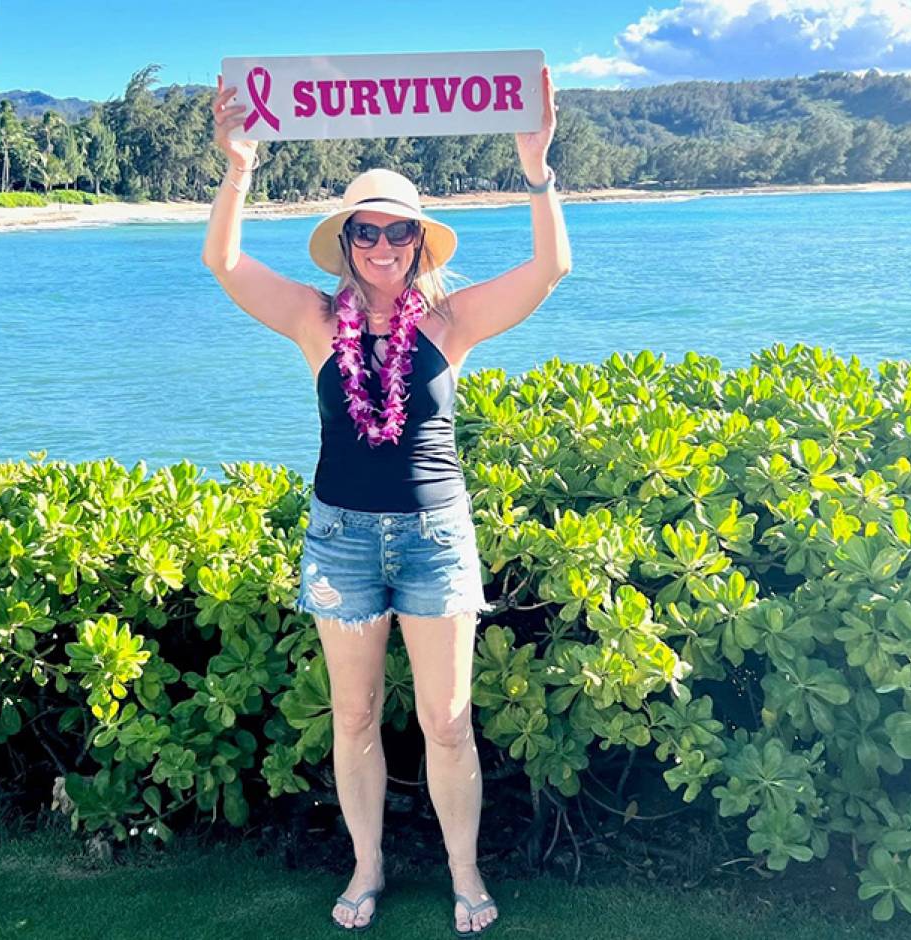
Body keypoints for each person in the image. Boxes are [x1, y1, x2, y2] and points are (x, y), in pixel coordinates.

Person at [202, 64, 569, 937]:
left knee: (446, 721)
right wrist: (238, 169)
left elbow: (552, 267)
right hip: (341, 542)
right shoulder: (312, 322)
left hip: (437, 539)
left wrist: (537, 167)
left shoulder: (451, 326)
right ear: (346, 241)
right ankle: (367, 868)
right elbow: (221, 260)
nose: (381, 247)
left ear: (417, 240)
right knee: (356, 714)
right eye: (365, 232)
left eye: (397, 232)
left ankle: (464, 874)